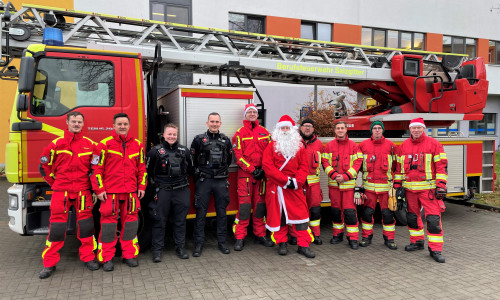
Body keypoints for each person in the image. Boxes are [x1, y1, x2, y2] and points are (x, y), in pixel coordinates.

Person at [38, 111, 99, 279]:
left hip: (82, 192)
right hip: (61, 192)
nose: (76, 124)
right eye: (74, 121)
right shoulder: (56, 144)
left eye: (79, 121)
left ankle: (88, 258)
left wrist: (94, 188)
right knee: (57, 228)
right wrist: (55, 184)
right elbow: (44, 166)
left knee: (86, 227)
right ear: (67, 122)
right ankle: (49, 264)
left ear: (83, 124)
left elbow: (95, 168)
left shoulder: (90, 145)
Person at [91, 113, 147, 271]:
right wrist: (99, 189)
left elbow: (142, 168)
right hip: (111, 193)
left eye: (125, 124)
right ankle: (106, 258)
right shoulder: (103, 145)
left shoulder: (138, 145)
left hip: (130, 193)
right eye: (119, 124)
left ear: (129, 126)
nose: (122, 126)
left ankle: (129, 255)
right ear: (113, 126)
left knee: (130, 226)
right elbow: (96, 170)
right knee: (108, 227)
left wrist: (141, 187)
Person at [394, 117, 448, 263]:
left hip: (428, 190)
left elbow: (441, 166)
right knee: (412, 218)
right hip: (410, 190)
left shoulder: (434, 144)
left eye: (419, 128)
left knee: (433, 219)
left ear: (423, 128)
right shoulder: (403, 146)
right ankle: (417, 242)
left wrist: (441, 185)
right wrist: (398, 186)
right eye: (413, 128)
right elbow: (398, 169)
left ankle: (435, 249)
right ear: (410, 129)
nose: (416, 130)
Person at [262, 115, 315, 258]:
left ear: (292, 130)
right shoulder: (271, 146)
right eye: (282, 128)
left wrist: (297, 182)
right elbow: (267, 167)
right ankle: (282, 243)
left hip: (295, 187)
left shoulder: (299, 147)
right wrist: (285, 181)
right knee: (280, 217)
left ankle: (303, 245)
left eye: (287, 128)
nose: (285, 130)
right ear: (278, 130)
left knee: (302, 217)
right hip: (277, 187)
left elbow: (304, 166)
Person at [146, 123, 193, 262]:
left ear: (177, 135)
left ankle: (180, 248)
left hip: (181, 190)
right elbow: (147, 172)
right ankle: (157, 251)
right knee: (159, 221)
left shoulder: (185, 151)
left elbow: (190, 169)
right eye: (169, 134)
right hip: (162, 191)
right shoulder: (154, 151)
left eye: (174, 134)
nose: (172, 137)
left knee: (180, 221)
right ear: (164, 135)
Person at [232, 103, 274, 251]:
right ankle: (240, 237)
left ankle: (260, 235)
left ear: (257, 115)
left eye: (254, 112)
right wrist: (252, 169)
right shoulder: (239, 133)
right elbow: (238, 156)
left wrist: (263, 169)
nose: (252, 114)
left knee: (260, 208)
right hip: (246, 176)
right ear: (245, 115)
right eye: (249, 112)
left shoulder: (265, 132)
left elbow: (270, 153)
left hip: (262, 176)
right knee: (244, 207)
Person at [191, 112, 233, 256]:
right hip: (204, 181)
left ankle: (222, 243)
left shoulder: (226, 140)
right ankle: (198, 244)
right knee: (200, 213)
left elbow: (228, 160)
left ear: (220, 124)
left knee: (222, 213)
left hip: (221, 181)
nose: (214, 124)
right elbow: (193, 160)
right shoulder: (198, 140)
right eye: (212, 121)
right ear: (207, 123)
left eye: (217, 122)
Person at [321, 121, 363, 249]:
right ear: (335, 131)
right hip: (334, 186)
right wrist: (334, 175)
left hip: (348, 186)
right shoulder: (328, 146)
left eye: (342, 128)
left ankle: (353, 238)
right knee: (335, 211)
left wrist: (344, 177)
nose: (340, 130)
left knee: (350, 213)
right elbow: (325, 163)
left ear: (346, 130)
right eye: (338, 128)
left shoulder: (354, 146)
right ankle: (337, 235)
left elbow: (358, 163)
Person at [358, 121, 398, 250]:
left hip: (386, 188)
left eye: (379, 128)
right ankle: (366, 237)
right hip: (369, 187)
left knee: (387, 214)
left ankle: (389, 239)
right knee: (367, 213)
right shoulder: (363, 145)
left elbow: (397, 166)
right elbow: (357, 166)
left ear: (383, 130)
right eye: (374, 128)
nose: (376, 130)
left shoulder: (391, 146)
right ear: (371, 130)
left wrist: (396, 184)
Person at [298, 118, 324, 245]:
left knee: (315, 211)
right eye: (305, 126)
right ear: (300, 128)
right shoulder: (295, 142)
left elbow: (325, 162)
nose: (307, 128)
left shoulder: (319, 144)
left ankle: (315, 234)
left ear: (313, 129)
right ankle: (297, 235)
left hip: (314, 185)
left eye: (310, 126)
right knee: (298, 211)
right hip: (299, 184)